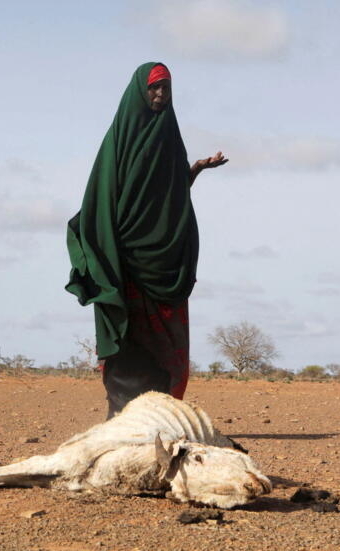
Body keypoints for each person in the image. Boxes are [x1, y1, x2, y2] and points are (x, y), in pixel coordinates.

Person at [66, 62, 227, 418]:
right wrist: (106, 248)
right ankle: (122, 414)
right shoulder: (121, 137)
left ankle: (163, 413)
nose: (159, 95)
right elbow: (103, 197)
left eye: (165, 88)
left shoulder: (170, 136)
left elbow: (167, 195)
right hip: (127, 259)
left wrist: (196, 169)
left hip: (163, 259)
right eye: (153, 88)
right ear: (140, 91)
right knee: (130, 335)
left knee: (166, 338)